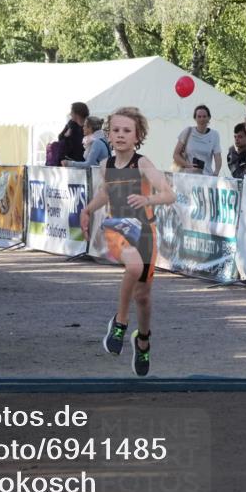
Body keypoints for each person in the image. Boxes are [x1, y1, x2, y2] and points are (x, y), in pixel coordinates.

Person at [79, 107, 174, 377]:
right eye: (116, 130)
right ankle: (120, 321)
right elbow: (105, 194)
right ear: (108, 134)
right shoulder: (105, 165)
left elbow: (169, 195)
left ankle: (142, 340)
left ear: (137, 136)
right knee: (133, 267)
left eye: (126, 131)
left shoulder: (142, 164)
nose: (120, 135)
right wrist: (87, 210)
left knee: (143, 297)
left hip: (145, 231)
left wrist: (148, 199)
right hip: (118, 227)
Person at [172, 105, 223, 176]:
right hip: (188, 176)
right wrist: (188, 165)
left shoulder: (214, 135)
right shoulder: (187, 131)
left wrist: (216, 172)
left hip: (206, 177)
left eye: (204, 116)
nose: (202, 119)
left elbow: (218, 156)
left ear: (209, 118)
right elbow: (175, 155)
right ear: (195, 118)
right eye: (199, 116)